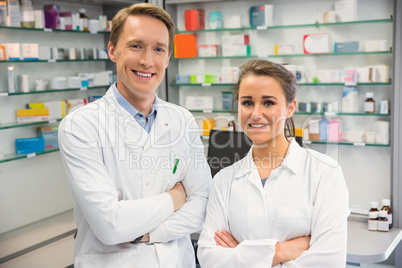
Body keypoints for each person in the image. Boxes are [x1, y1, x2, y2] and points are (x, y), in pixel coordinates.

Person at [58, 3, 212, 267]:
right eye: (136, 46)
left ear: (168, 57)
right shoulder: (80, 126)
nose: (147, 61)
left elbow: (204, 204)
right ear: (112, 50)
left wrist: (151, 233)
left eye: (158, 49)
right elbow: (111, 225)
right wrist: (174, 198)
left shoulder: (182, 120)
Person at [197, 59, 350, 267]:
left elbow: (329, 262)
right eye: (247, 103)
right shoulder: (224, 180)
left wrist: (241, 255)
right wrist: (281, 251)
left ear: (290, 107)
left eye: (268, 102)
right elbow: (209, 258)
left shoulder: (325, 173)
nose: (256, 113)